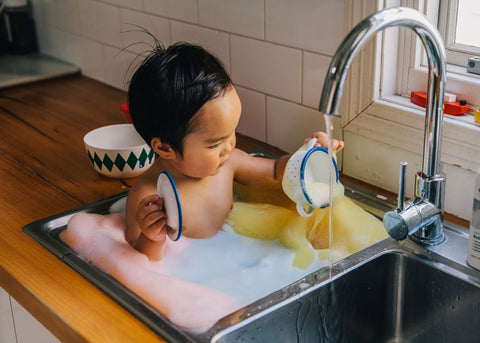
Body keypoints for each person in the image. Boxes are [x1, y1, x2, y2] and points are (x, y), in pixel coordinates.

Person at [125, 42, 344, 261]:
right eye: (214, 144)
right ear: (164, 148)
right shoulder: (148, 198)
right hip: (196, 272)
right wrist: (151, 237)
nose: (229, 146)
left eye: (231, 133)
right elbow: (138, 260)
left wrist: (306, 154)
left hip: (237, 254)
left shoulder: (229, 163)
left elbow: (277, 172)